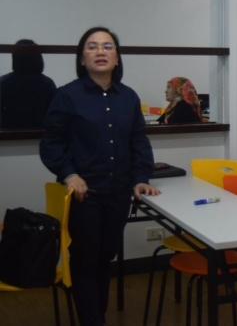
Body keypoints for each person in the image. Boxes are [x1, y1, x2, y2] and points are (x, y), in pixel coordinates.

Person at [39, 27, 161, 326]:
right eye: (92, 46)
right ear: (82, 58)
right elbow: (52, 143)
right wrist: (69, 174)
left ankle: (98, 316)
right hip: (84, 194)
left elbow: (138, 141)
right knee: (85, 260)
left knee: (105, 256)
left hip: (118, 191)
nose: (100, 51)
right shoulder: (67, 95)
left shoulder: (128, 97)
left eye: (107, 46)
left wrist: (141, 176)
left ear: (117, 57)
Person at [0, 39, 57, 128]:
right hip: (40, 134)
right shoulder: (47, 83)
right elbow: (55, 116)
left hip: (9, 135)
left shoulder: (4, 82)